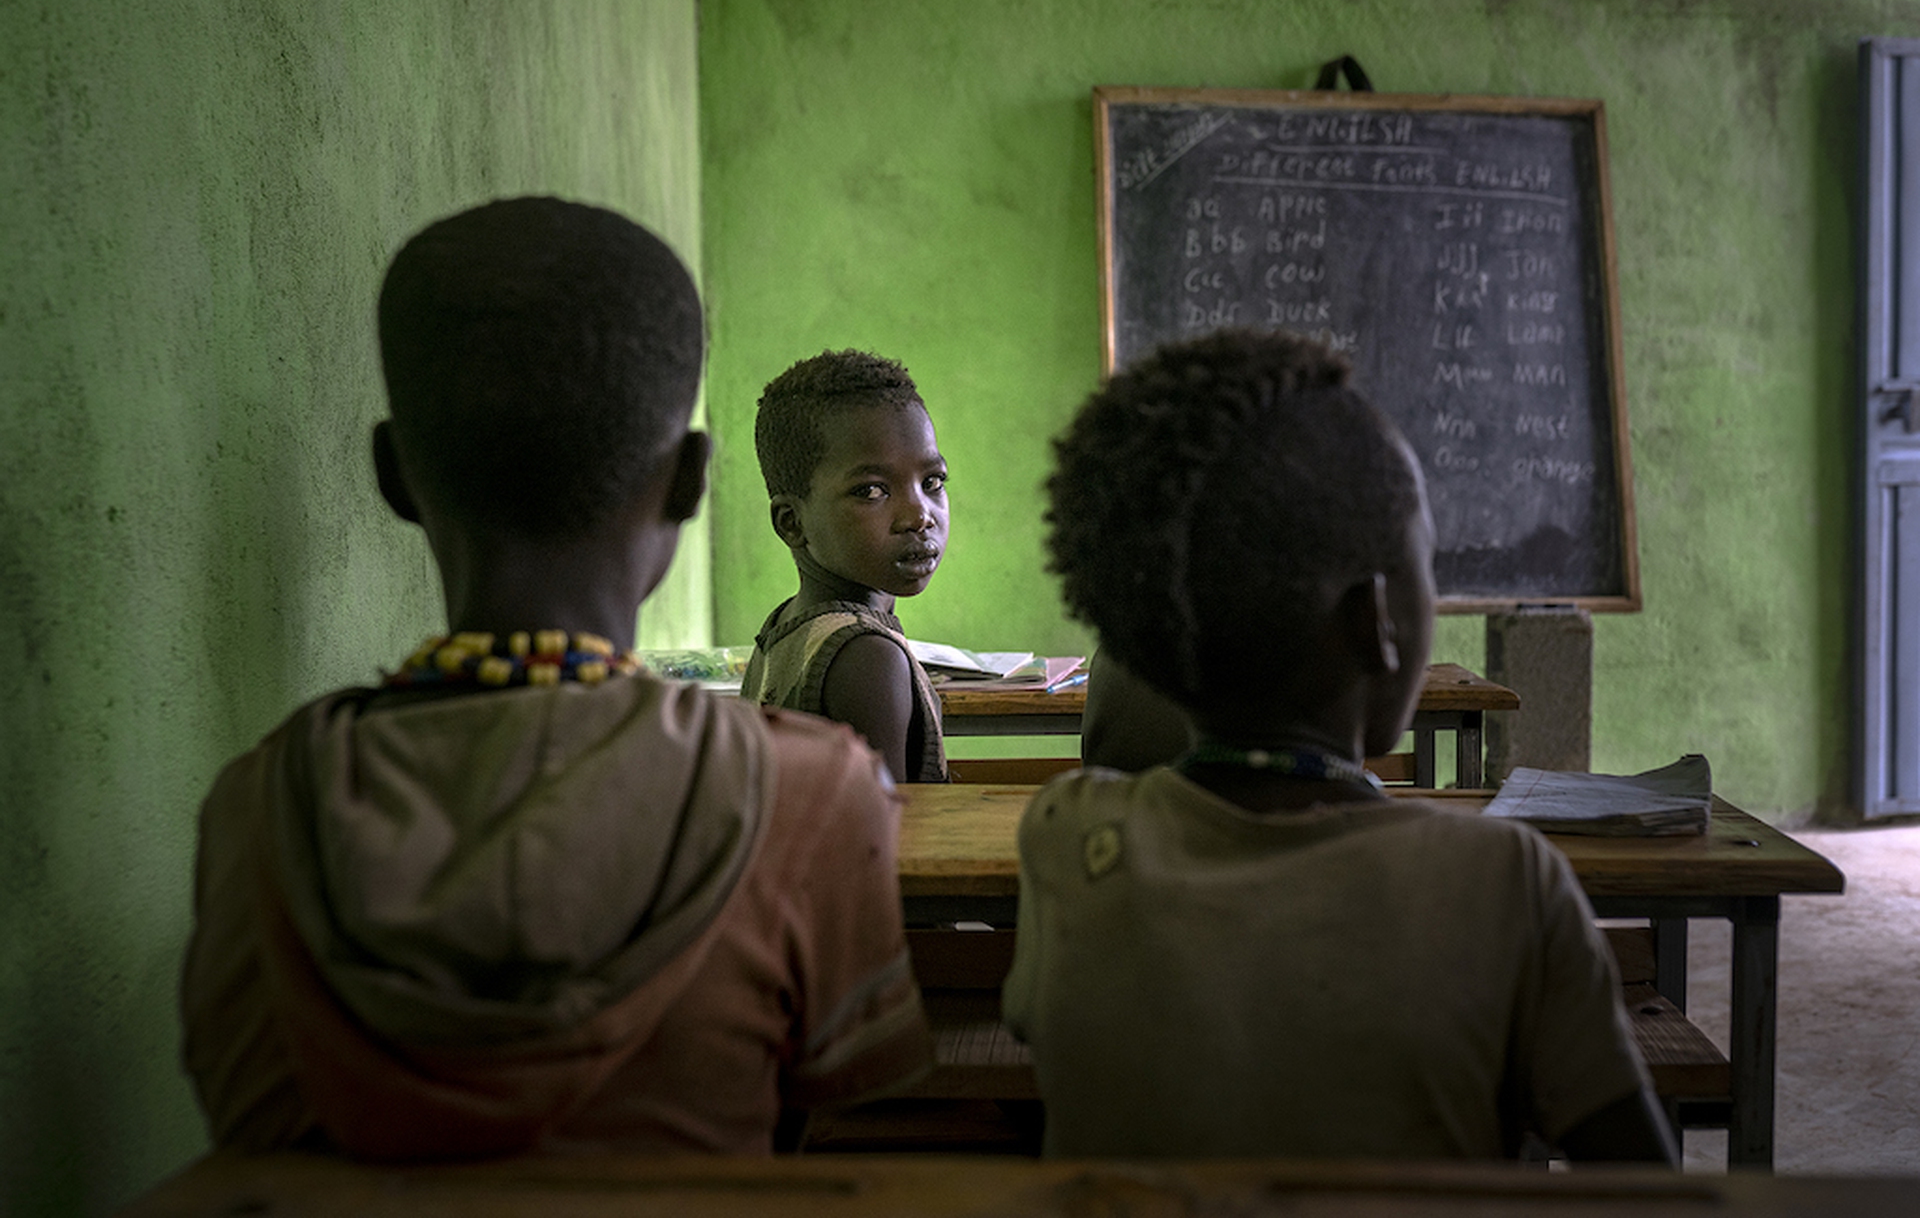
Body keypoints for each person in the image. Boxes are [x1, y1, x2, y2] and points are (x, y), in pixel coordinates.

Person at [180, 198, 932, 1160]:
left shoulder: (256, 811)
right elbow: (844, 1122)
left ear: (395, 477)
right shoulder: (810, 797)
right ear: (689, 481)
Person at [1002, 329, 1675, 1164]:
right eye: (1426, 564)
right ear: (1377, 618)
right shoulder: (1504, 883)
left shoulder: (1068, 839)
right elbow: (1648, 1183)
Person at [740, 350, 950, 783]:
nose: (919, 516)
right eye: (871, 491)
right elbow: (887, 825)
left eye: (932, 482)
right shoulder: (868, 657)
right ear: (792, 523)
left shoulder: (785, 625)